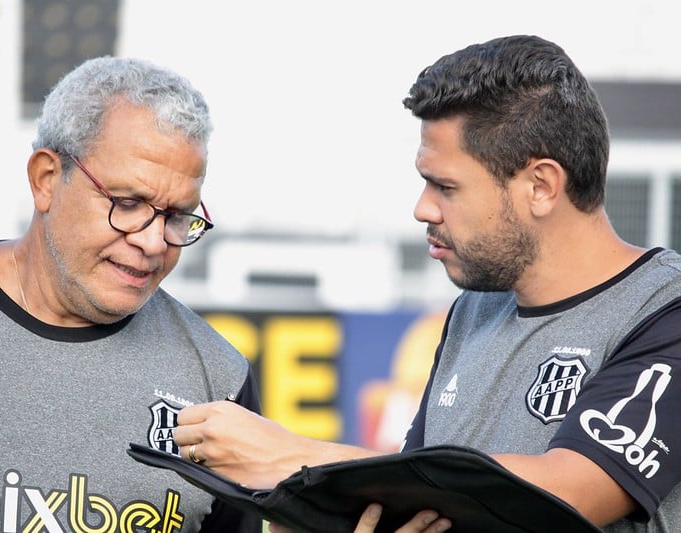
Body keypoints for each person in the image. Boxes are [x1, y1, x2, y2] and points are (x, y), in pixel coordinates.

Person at [172, 34, 681, 533]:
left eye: (446, 186)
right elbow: (419, 497)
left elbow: (569, 493)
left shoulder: (663, 311)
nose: (423, 208)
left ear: (541, 186)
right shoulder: (472, 312)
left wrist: (293, 457)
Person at [0, 56, 262, 532]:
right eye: (128, 204)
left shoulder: (219, 380)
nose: (151, 241)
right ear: (46, 179)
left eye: (177, 216)